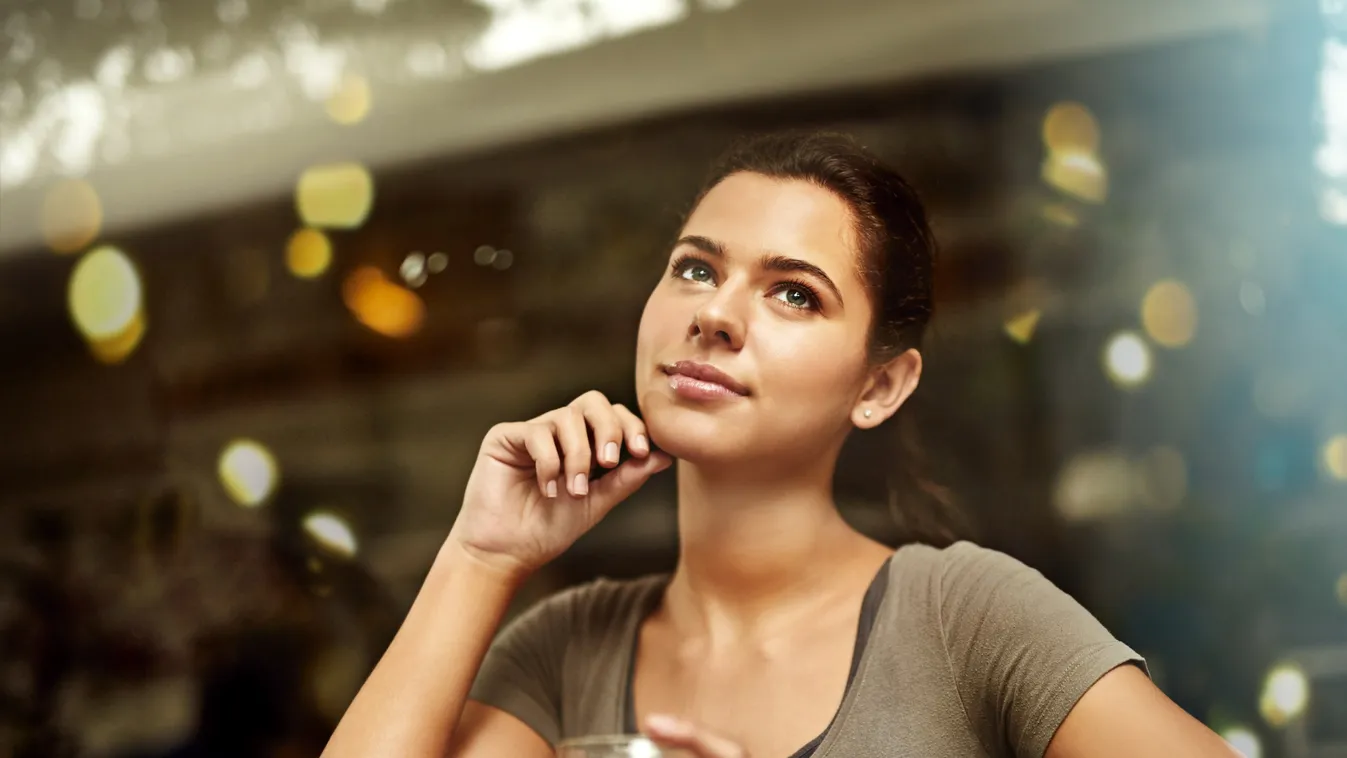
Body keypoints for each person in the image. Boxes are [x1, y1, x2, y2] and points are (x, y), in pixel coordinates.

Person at [321, 132, 1239, 757]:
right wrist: (481, 554)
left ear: (879, 386)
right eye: (695, 268)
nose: (715, 314)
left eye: (793, 292)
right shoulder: (565, 651)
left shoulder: (965, 616)